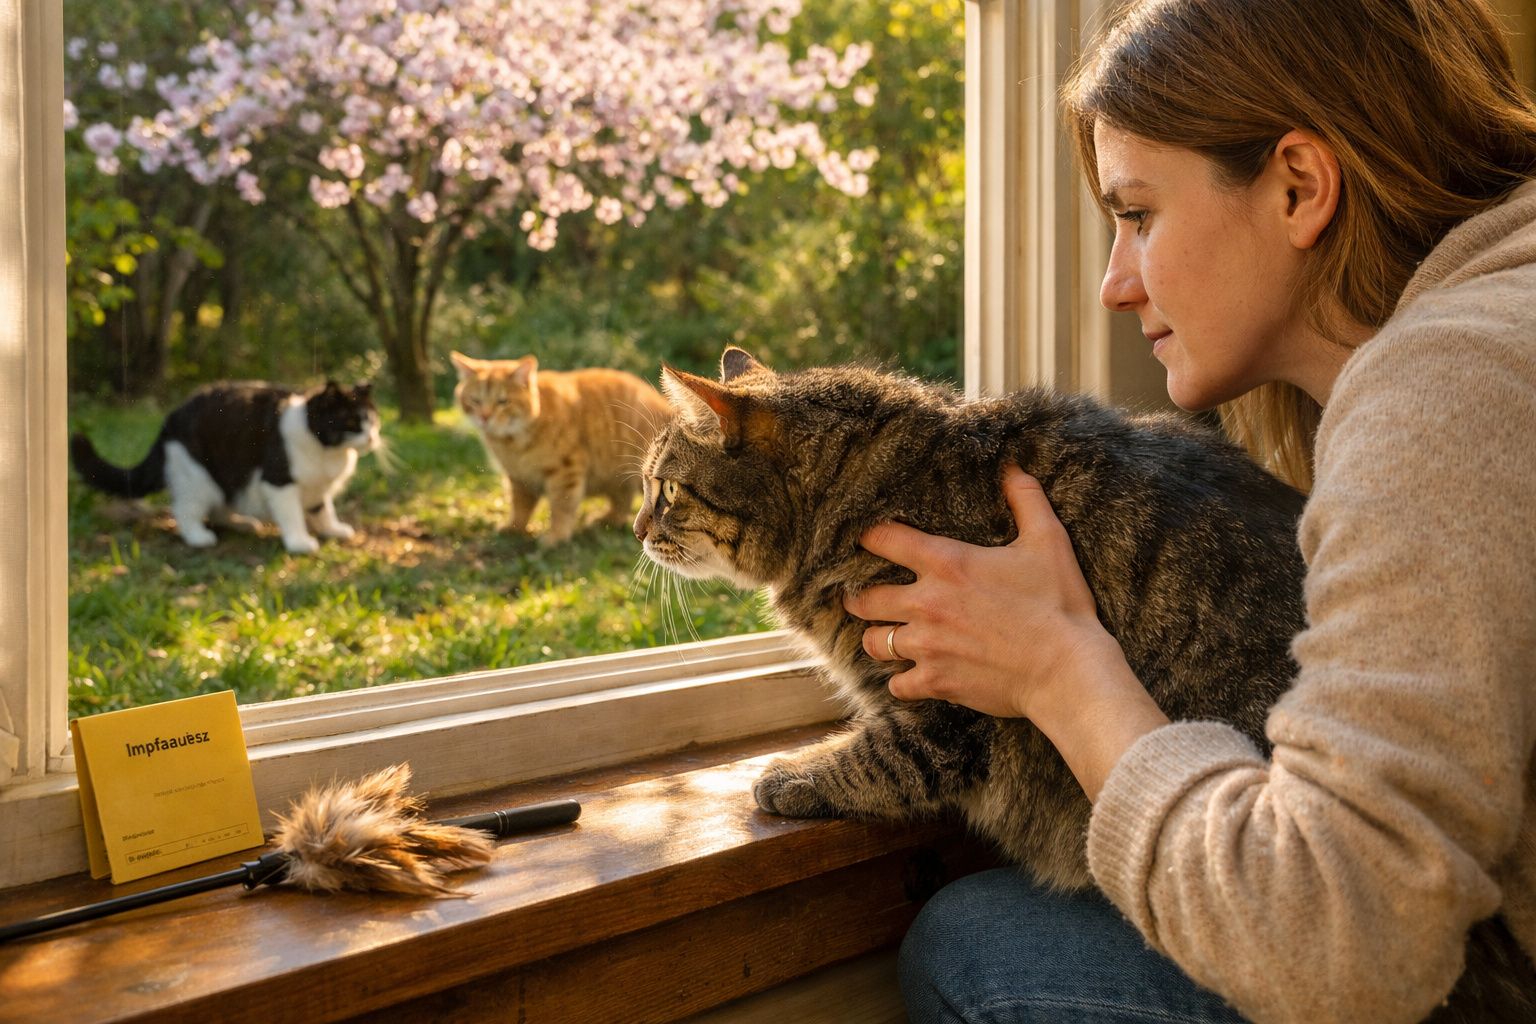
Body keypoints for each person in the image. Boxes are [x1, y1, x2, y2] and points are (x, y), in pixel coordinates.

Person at [843, 1, 1536, 1021]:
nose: (1117, 285)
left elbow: (1342, 945)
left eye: (1137, 215)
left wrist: (1063, 669)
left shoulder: (1445, 392)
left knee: (974, 943)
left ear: (1300, 186)